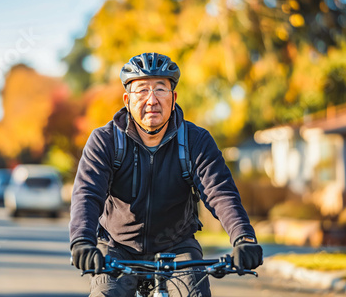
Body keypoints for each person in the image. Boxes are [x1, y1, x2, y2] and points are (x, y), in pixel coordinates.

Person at [70, 52, 263, 296]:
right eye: (142, 90)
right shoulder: (105, 141)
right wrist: (82, 242)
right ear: (127, 100)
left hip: (178, 246)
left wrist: (243, 238)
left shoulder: (195, 141)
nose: (152, 100)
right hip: (117, 246)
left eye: (160, 89)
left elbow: (220, 192)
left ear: (173, 98)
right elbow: (87, 193)